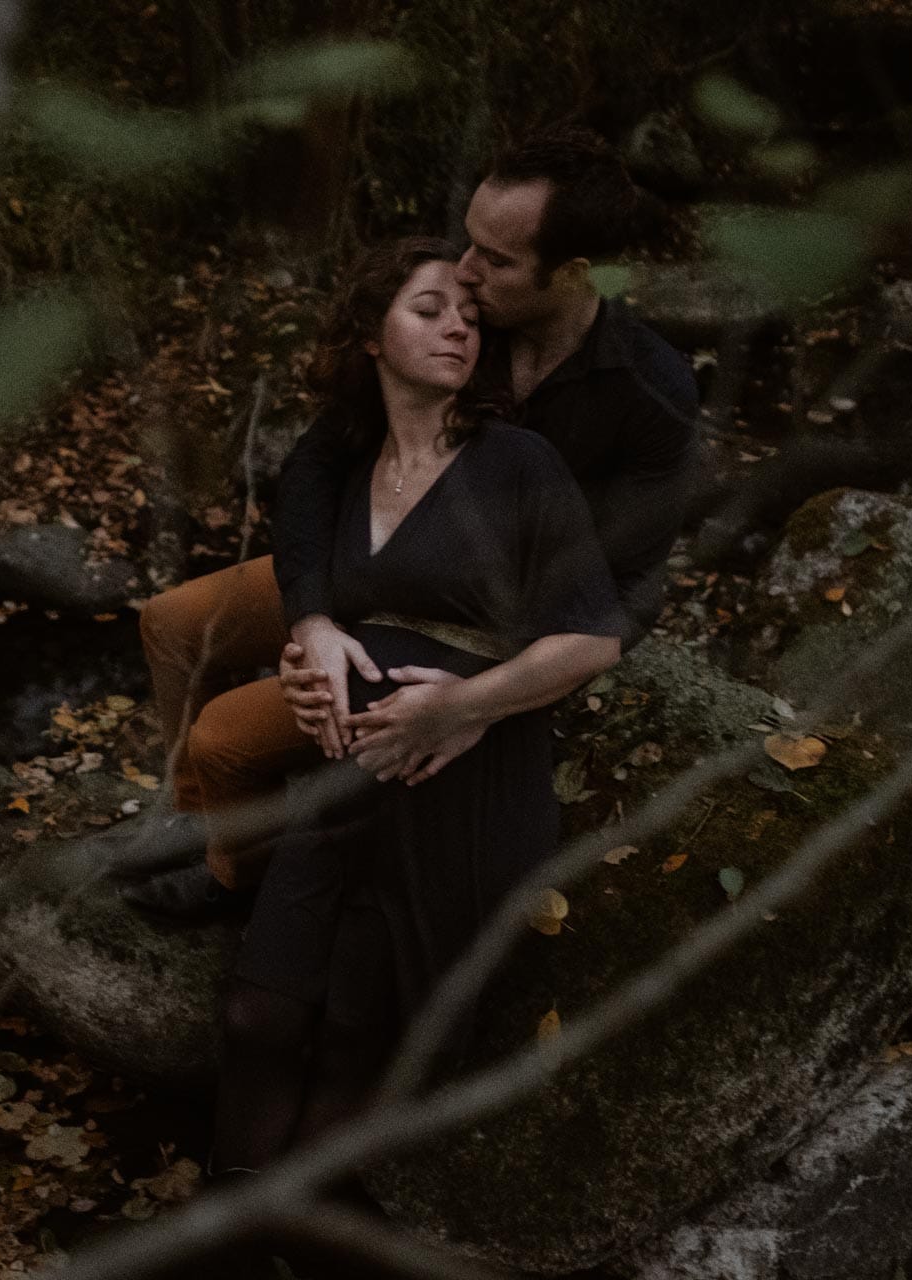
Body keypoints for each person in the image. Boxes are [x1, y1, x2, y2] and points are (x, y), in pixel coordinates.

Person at [124, 125, 700, 920]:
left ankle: (236, 880)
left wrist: (479, 699)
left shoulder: (648, 392)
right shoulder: (461, 323)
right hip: (373, 560)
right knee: (172, 624)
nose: (465, 273)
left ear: (573, 273)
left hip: (470, 626)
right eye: (469, 243)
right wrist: (315, 618)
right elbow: (320, 463)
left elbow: (626, 591)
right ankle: (202, 828)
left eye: (495, 260)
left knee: (226, 735)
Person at [204, 237, 623, 1178]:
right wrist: (308, 646)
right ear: (370, 336)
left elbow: (594, 637)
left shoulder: (518, 464)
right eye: (429, 309)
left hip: (463, 793)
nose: (456, 330)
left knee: (362, 1038)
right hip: (344, 779)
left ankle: (316, 1234)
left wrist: (465, 704)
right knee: (257, 1012)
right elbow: (321, 585)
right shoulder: (347, 463)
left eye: (470, 318)